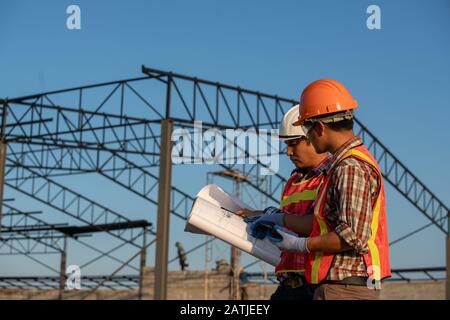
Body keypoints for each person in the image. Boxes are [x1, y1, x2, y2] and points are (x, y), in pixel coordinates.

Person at [265, 79, 391, 300]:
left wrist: (299, 244)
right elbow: (325, 224)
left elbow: (352, 237)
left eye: (307, 129)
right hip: (340, 286)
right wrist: (278, 219)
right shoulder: (344, 165)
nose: (310, 138)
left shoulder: (350, 167)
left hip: (345, 288)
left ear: (320, 127)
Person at [236, 105, 330, 300]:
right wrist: (263, 216)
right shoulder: (294, 180)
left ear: (314, 138)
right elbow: (291, 216)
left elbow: (322, 224)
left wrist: (277, 218)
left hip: (314, 285)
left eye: (294, 143)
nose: (288, 152)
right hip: (288, 283)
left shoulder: (331, 177)